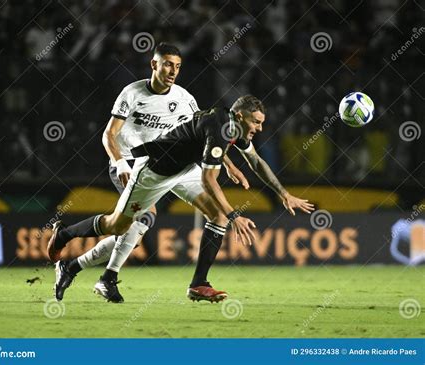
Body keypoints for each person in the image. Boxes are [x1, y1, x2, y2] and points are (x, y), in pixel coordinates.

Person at [48, 95, 315, 302]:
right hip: (154, 172)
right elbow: (209, 180)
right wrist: (235, 215)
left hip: (184, 170)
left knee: (216, 215)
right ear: (240, 115)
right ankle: (64, 236)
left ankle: (199, 283)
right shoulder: (221, 126)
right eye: (256, 122)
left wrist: (284, 194)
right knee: (117, 226)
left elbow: (255, 160)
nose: (259, 128)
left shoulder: (231, 125)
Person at [53, 43, 248, 303]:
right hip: (134, 164)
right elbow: (109, 134)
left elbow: (204, 134)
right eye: (167, 64)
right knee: (135, 222)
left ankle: (198, 284)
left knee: (217, 215)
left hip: (178, 166)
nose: (172, 71)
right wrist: (119, 161)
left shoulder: (184, 99)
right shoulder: (132, 93)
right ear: (154, 64)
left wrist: (228, 163)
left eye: (177, 66)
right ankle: (87, 259)